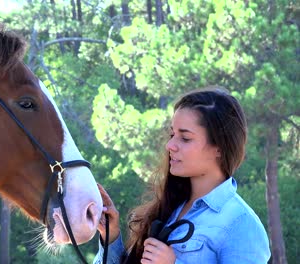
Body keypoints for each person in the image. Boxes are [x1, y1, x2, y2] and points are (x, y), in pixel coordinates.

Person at [94, 87, 271, 263]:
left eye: (185, 138)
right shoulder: (169, 207)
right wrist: (111, 235)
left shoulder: (241, 224)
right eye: (172, 134)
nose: (170, 145)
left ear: (220, 147)